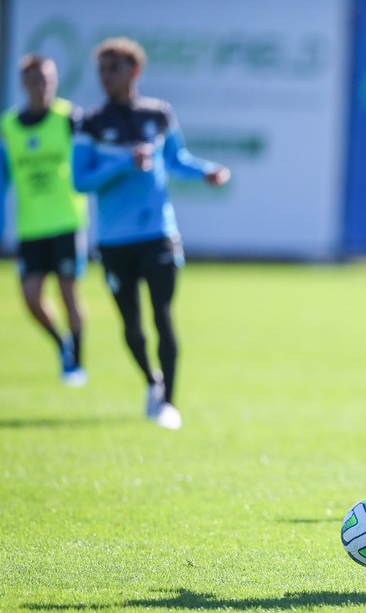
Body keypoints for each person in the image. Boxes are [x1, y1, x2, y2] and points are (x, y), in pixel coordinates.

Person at [73, 37, 230, 430]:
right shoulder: (89, 123)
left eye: (114, 68)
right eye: (102, 69)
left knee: (162, 315)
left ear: (134, 71)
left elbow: (177, 160)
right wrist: (125, 164)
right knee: (131, 326)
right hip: (113, 241)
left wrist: (207, 171)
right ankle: (151, 380)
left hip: (158, 232)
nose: (106, 77)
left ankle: (169, 404)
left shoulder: (158, 114)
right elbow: (80, 180)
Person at [0, 55, 89, 386]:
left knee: (69, 294)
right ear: (24, 84)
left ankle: (77, 359)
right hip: (31, 227)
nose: (43, 86)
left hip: (66, 222)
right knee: (31, 298)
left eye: (48, 79)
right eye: (36, 80)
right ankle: (62, 343)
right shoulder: (8, 126)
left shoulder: (69, 119)